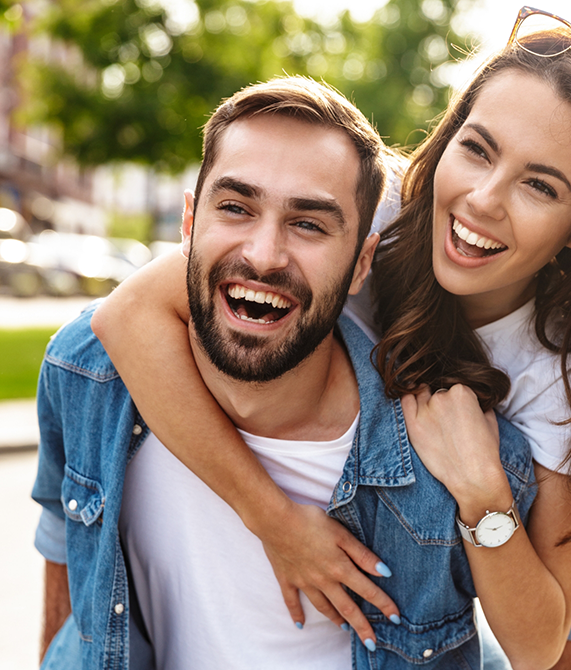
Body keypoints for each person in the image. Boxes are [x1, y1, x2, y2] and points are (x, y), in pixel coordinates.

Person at [88, 6, 571, 668]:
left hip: (542, 545)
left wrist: (482, 490)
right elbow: (126, 317)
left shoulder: (565, 369)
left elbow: (538, 642)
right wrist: (275, 522)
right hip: (436, 521)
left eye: (541, 186)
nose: (483, 200)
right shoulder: (377, 210)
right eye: (477, 148)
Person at [33, 75, 537, 670]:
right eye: (235, 208)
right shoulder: (87, 374)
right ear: (189, 223)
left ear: (361, 265)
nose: (264, 255)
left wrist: (486, 500)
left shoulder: (462, 464)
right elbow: (69, 573)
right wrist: (272, 519)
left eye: (309, 224)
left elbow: (552, 631)